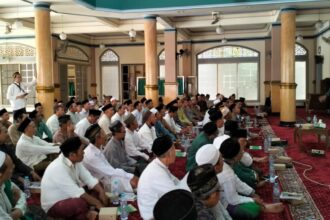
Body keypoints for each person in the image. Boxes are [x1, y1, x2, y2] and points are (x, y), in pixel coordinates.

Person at [41, 137, 108, 220]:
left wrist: (101, 191)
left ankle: (90, 212)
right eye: (81, 150)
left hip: (72, 196)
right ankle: (90, 212)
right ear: (72, 155)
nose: (84, 152)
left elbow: (89, 179)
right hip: (54, 204)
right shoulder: (58, 168)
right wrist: (97, 203)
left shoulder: (75, 161)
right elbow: (77, 193)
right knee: (80, 204)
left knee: (98, 186)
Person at [219, 138, 284, 219]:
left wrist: (252, 193)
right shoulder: (227, 173)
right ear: (235, 156)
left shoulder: (227, 163)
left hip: (229, 193)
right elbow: (232, 200)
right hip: (223, 203)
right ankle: (264, 208)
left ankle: (262, 206)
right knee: (253, 210)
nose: (242, 153)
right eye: (240, 152)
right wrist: (252, 200)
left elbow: (237, 182)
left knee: (251, 187)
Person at [83, 124, 139, 193]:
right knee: (134, 182)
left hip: (110, 176)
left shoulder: (97, 148)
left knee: (135, 180)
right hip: (104, 183)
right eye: (103, 134)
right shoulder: (90, 155)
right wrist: (129, 176)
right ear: (98, 138)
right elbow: (109, 172)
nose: (106, 136)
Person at [137, 135, 179, 220]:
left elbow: (176, 181)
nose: (175, 151)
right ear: (170, 152)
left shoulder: (158, 165)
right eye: (174, 148)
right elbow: (177, 196)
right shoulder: (156, 174)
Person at [0, 151, 28, 220]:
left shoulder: (6, 182)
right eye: (11, 166)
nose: (13, 167)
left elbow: (22, 195)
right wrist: (18, 211)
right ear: (0, 175)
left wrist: (17, 211)